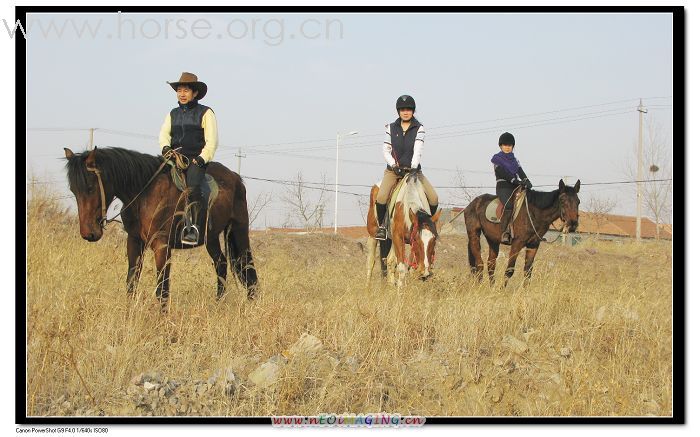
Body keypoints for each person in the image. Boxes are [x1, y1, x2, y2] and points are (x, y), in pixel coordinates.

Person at [158, 72, 219, 245]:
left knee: (192, 187)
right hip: (174, 157)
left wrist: (201, 158)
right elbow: (164, 134)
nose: (182, 94)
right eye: (179, 90)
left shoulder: (206, 113)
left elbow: (212, 141)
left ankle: (193, 228)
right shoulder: (172, 113)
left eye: (186, 90)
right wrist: (165, 147)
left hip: (195, 160)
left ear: (195, 93)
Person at [374, 94, 439, 240]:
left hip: (413, 171)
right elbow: (386, 150)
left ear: (413, 111)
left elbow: (418, 149)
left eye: (409, 109)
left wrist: (414, 167)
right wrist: (393, 165)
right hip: (394, 171)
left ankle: (427, 226)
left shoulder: (419, 128)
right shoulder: (390, 128)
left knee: (434, 198)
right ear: (398, 111)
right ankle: (382, 227)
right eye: (402, 109)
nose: (405, 112)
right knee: (382, 197)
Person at [491, 132, 533, 244]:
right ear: (500, 146)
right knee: (509, 205)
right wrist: (514, 180)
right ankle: (505, 232)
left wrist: (527, 181)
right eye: (505, 145)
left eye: (509, 145)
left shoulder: (515, 160)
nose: (507, 147)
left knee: (528, 203)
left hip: (515, 186)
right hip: (503, 187)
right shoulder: (497, 159)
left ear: (512, 146)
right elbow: (502, 172)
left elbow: (520, 172)